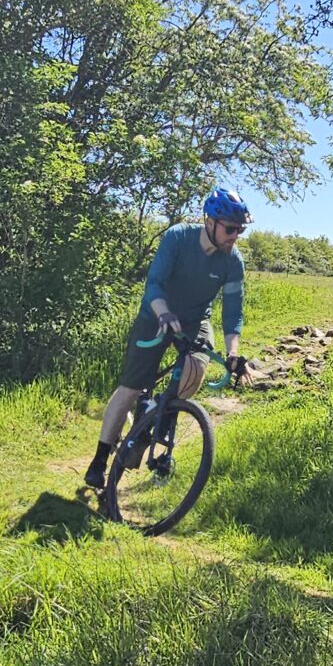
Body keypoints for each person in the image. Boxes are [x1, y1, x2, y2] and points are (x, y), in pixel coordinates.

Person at [84, 189, 250, 493]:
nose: (235, 236)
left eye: (240, 230)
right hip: (156, 314)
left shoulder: (232, 261)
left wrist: (233, 354)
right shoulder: (178, 237)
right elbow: (155, 284)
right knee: (130, 387)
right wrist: (163, 314)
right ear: (210, 222)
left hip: (195, 320)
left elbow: (233, 312)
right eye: (230, 229)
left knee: (196, 369)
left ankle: (157, 412)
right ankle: (100, 459)